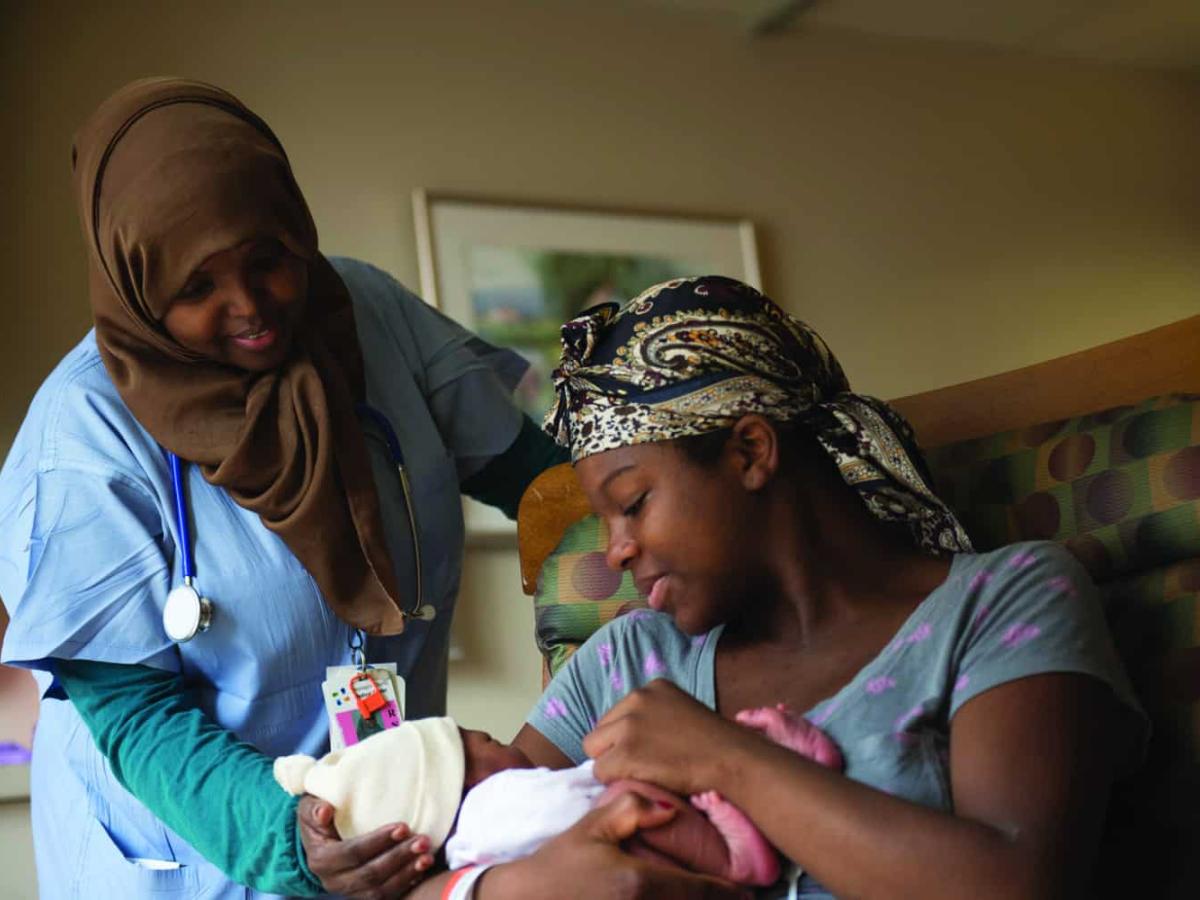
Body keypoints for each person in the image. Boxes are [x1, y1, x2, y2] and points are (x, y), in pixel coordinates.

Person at [383, 274, 1148, 900]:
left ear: (750, 451)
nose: (614, 552)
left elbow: (1020, 882)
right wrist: (515, 891)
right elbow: (459, 847)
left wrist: (726, 759)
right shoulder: (625, 662)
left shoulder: (1002, 603)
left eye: (634, 503)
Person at [0, 77, 564, 899]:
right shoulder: (83, 441)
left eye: (270, 259)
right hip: (191, 862)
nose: (251, 306)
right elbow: (132, 714)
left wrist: (585, 672)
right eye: (197, 289)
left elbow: (557, 493)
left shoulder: (370, 316)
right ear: (138, 285)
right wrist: (291, 840)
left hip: (393, 834)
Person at [274, 708, 842, 887]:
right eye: (489, 741)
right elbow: (572, 806)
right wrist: (607, 773)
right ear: (462, 784)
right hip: (674, 862)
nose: (509, 746)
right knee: (633, 789)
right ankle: (736, 856)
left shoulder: (470, 854)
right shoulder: (495, 806)